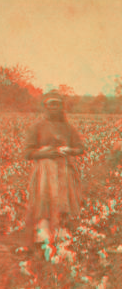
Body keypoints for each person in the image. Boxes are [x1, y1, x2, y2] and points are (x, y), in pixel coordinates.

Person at [24, 90, 84, 252]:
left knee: (63, 201)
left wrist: (69, 150)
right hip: (44, 172)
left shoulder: (68, 128)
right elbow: (27, 153)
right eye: (50, 105)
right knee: (44, 200)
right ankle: (42, 234)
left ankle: (60, 232)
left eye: (56, 104)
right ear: (45, 107)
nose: (53, 108)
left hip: (64, 171)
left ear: (61, 107)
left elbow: (80, 149)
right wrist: (45, 153)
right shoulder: (37, 127)